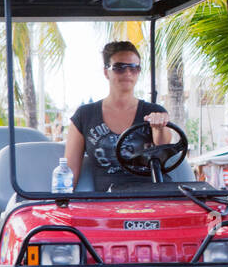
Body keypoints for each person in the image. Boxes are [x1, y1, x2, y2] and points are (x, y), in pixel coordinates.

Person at [65, 42, 172, 192]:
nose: (128, 73)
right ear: (106, 72)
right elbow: (69, 171)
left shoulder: (154, 112)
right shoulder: (84, 115)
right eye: (119, 67)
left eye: (134, 68)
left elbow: (163, 144)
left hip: (153, 196)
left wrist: (159, 127)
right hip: (109, 201)